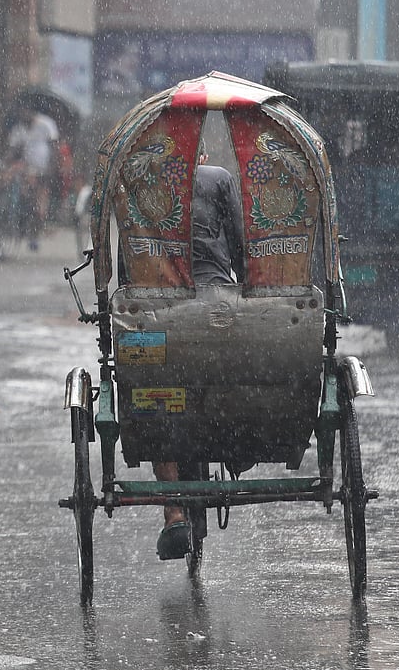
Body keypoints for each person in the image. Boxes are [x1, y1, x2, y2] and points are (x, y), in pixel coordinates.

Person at [154, 153, 247, 561]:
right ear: (200, 152)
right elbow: (242, 248)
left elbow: (127, 262)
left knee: (152, 392)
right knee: (233, 372)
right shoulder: (218, 178)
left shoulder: (145, 183)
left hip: (161, 305)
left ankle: (174, 512)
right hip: (215, 307)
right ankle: (237, 444)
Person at [7, 107, 60, 251]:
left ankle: (35, 233)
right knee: (26, 199)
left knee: (39, 206)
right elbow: (12, 149)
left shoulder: (46, 125)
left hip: (43, 170)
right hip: (27, 170)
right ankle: (21, 222)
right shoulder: (19, 129)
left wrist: (52, 168)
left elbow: (54, 146)